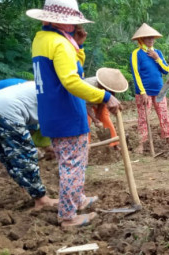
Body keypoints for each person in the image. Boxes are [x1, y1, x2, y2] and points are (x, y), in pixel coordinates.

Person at [27, 0, 122, 227]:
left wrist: (77, 46)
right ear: (61, 22)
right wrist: (105, 97)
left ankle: (77, 199)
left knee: (68, 161)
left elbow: (70, 71)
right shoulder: (60, 44)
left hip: (52, 113)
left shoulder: (43, 39)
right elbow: (72, 81)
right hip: (67, 113)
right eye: (72, 23)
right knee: (73, 165)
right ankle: (68, 216)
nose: (74, 27)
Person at [0, 81, 58, 211]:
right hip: (7, 109)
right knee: (26, 154)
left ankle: (28, 189)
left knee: (8, 155)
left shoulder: (45, 86)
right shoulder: (63, 94)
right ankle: (41, 200)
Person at [130, 23, 169, 153]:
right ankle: (141, 144)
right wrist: (143, 92)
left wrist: (157, 59)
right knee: (143, 118)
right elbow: (136, 74)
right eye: (148, 38)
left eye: (152, 38)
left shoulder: (158, 53)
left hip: (159, 92)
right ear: (141, 39)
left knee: (164, 115)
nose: (151, 40)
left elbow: (166, 70)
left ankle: (168, 139)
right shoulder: (136, 54)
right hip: (144, 93)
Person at [85, 68, 129, 151]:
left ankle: (114, 144)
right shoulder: (89, 85)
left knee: (105, 118)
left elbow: (103, 102)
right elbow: (86, 106)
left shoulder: (111, 87)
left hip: (100, 100)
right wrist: (94, 119)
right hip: (85, 103)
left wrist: (98, 117)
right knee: (85, 122)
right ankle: (86, 146)